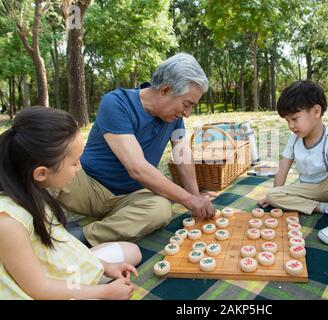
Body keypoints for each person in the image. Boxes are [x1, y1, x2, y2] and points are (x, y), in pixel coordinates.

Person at [54, 53, 216, 247]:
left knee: (161, 210)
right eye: (187, 104)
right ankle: (30, 225)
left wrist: (196, 197)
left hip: (129, 197)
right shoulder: (115, 103)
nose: (187, 113)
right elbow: (136, 167)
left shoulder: (175, 119)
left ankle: (82, 236)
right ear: (165, 90)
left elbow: (182, 155)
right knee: (46, 161)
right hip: (87, 186)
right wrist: (189, 199)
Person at [0, 106, 142, 300]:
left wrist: (105, 267)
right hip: (44, 290)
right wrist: (106, 292)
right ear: (41, 173)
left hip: (59, 271)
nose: (79, 168)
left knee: (132, 251)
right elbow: (39, 288)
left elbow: (63, 247)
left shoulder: (33, 190)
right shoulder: (8, 223)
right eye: (74, 162)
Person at [258, 80, 328, 247]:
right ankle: (325, 208)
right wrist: (275, 196)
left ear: (316, 111)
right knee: (272, 194)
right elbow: (283, 168)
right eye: (287, 120)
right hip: (311, 189)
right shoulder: (294, 139)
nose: (291, 126)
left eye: (294, 118)